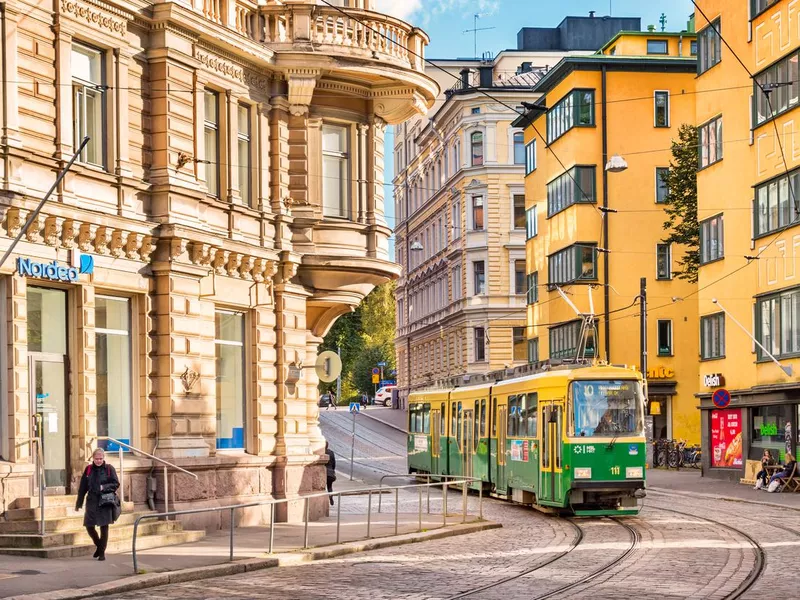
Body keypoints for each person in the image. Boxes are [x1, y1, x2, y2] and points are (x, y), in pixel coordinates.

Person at [76, 448, 120, 561]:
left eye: (101, 459)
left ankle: (102, 553)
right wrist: (79, 503)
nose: (99, 461)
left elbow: (116, 483)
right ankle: (99, 546)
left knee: (104, 527)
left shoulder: (109, 469)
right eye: (96, 459)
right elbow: (82, 487)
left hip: (105, 501)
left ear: (103, 458)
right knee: (89, 526)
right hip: (92, 500)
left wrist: (104, 487)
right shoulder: (89, 469)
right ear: (93, 458)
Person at [324, 442, 336, 506]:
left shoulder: (322, 452)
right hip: (330, 473)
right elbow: (334, 463)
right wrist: (333, 470)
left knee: (322, 487)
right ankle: (330, 496)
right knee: (329, 486)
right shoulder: (331, 452)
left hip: (324, 473)